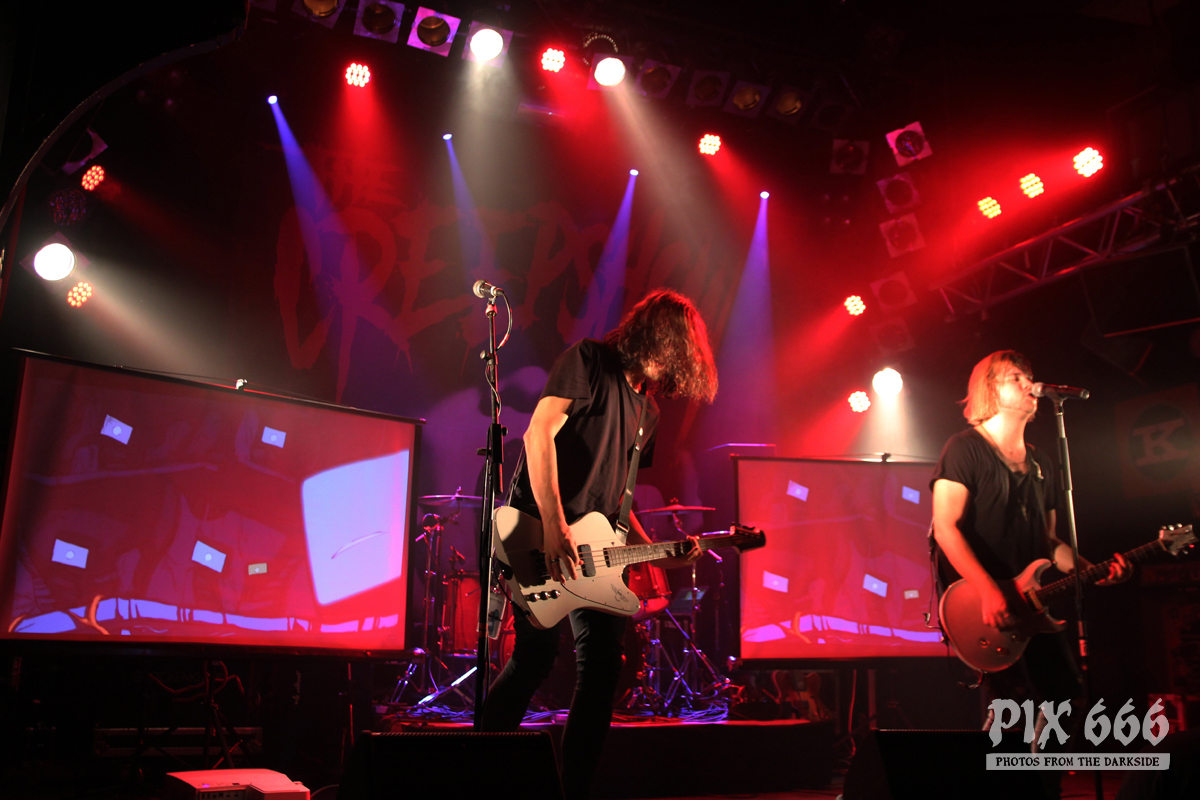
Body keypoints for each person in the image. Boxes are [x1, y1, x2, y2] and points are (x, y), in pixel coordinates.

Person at [481, 288, 719, 799]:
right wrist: (554, 525)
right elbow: (538, 435)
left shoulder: (648, 411)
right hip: (538, 531)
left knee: (604, 666)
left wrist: (658, 551)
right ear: (663, 338)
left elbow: (616, 499)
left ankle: (574, 792)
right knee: (534, 659)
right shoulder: (589, 360)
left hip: (595, 549)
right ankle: (471, 772)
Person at [930, 351, 1131, 791]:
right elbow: (945, 527)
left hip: (1032, 603)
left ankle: (1041, 787)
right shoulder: (964, 448)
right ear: (990, 388)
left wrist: (1092, 570)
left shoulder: (1042, 461)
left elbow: (1050, 544)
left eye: (1029, 377)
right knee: (1011, 706)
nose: (1029, 384)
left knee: (1065, 697)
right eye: (1015, 377)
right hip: (984, 603)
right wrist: (988, 590)